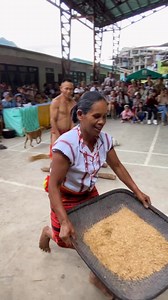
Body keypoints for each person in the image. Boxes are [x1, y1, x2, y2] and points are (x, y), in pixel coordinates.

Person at [39, 91, 151, 299]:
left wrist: (137, 191)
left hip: (89, 192)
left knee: (98, 236)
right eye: (96, 116)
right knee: (67, 239)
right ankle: (48, 233)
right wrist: (64, 221)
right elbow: (53, 186)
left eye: (105, 116)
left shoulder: (104, 140)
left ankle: (96, 277)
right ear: (80, 115)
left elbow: (117, 165)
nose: (102, 122)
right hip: (65, 196)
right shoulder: (66, 145)